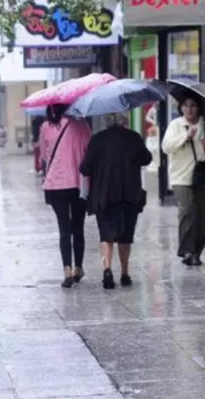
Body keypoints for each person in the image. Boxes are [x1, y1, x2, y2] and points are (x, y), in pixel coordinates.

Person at [80, 113, 152, 289]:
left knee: (106, 234)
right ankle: (125, 273)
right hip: (129, 194)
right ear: (124, 121)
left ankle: (107, 270)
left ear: (106, 121)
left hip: (104, 195)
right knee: (125, 235)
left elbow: (85, 168)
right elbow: (147, 159)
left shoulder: (97, 140)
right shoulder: (133, 137)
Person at [39, 104, 91, 288]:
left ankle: (66, 269)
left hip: (55, 184)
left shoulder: (46, 127)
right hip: (78, 183)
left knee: (64, 227)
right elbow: (88, 152)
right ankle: (78, 267)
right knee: (78, 227)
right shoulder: (82, 125)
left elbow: (44, 158)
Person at [162, 93, 205, 266]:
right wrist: (185, 137)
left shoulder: (204, 125)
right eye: (186, 105)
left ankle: (196, 252)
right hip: (181, 176)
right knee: (187, 211)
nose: (189, 109)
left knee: (201, 215)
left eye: (193, 105)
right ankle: (187, 251)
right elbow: (166, 147)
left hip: (201, 175)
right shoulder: (176, 125)